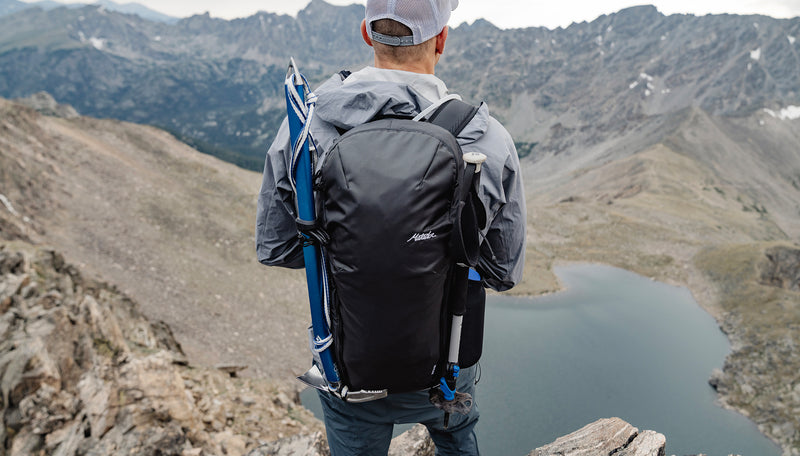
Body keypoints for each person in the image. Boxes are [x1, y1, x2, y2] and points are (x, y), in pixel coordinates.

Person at [256, 0, 526, 454]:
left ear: (367, 33)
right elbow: (503, 271)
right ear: (441, 40)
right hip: (447, 365)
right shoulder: (487, 137)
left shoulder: (305, 128)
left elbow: (277, 247)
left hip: (349, 368)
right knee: (458, 439)